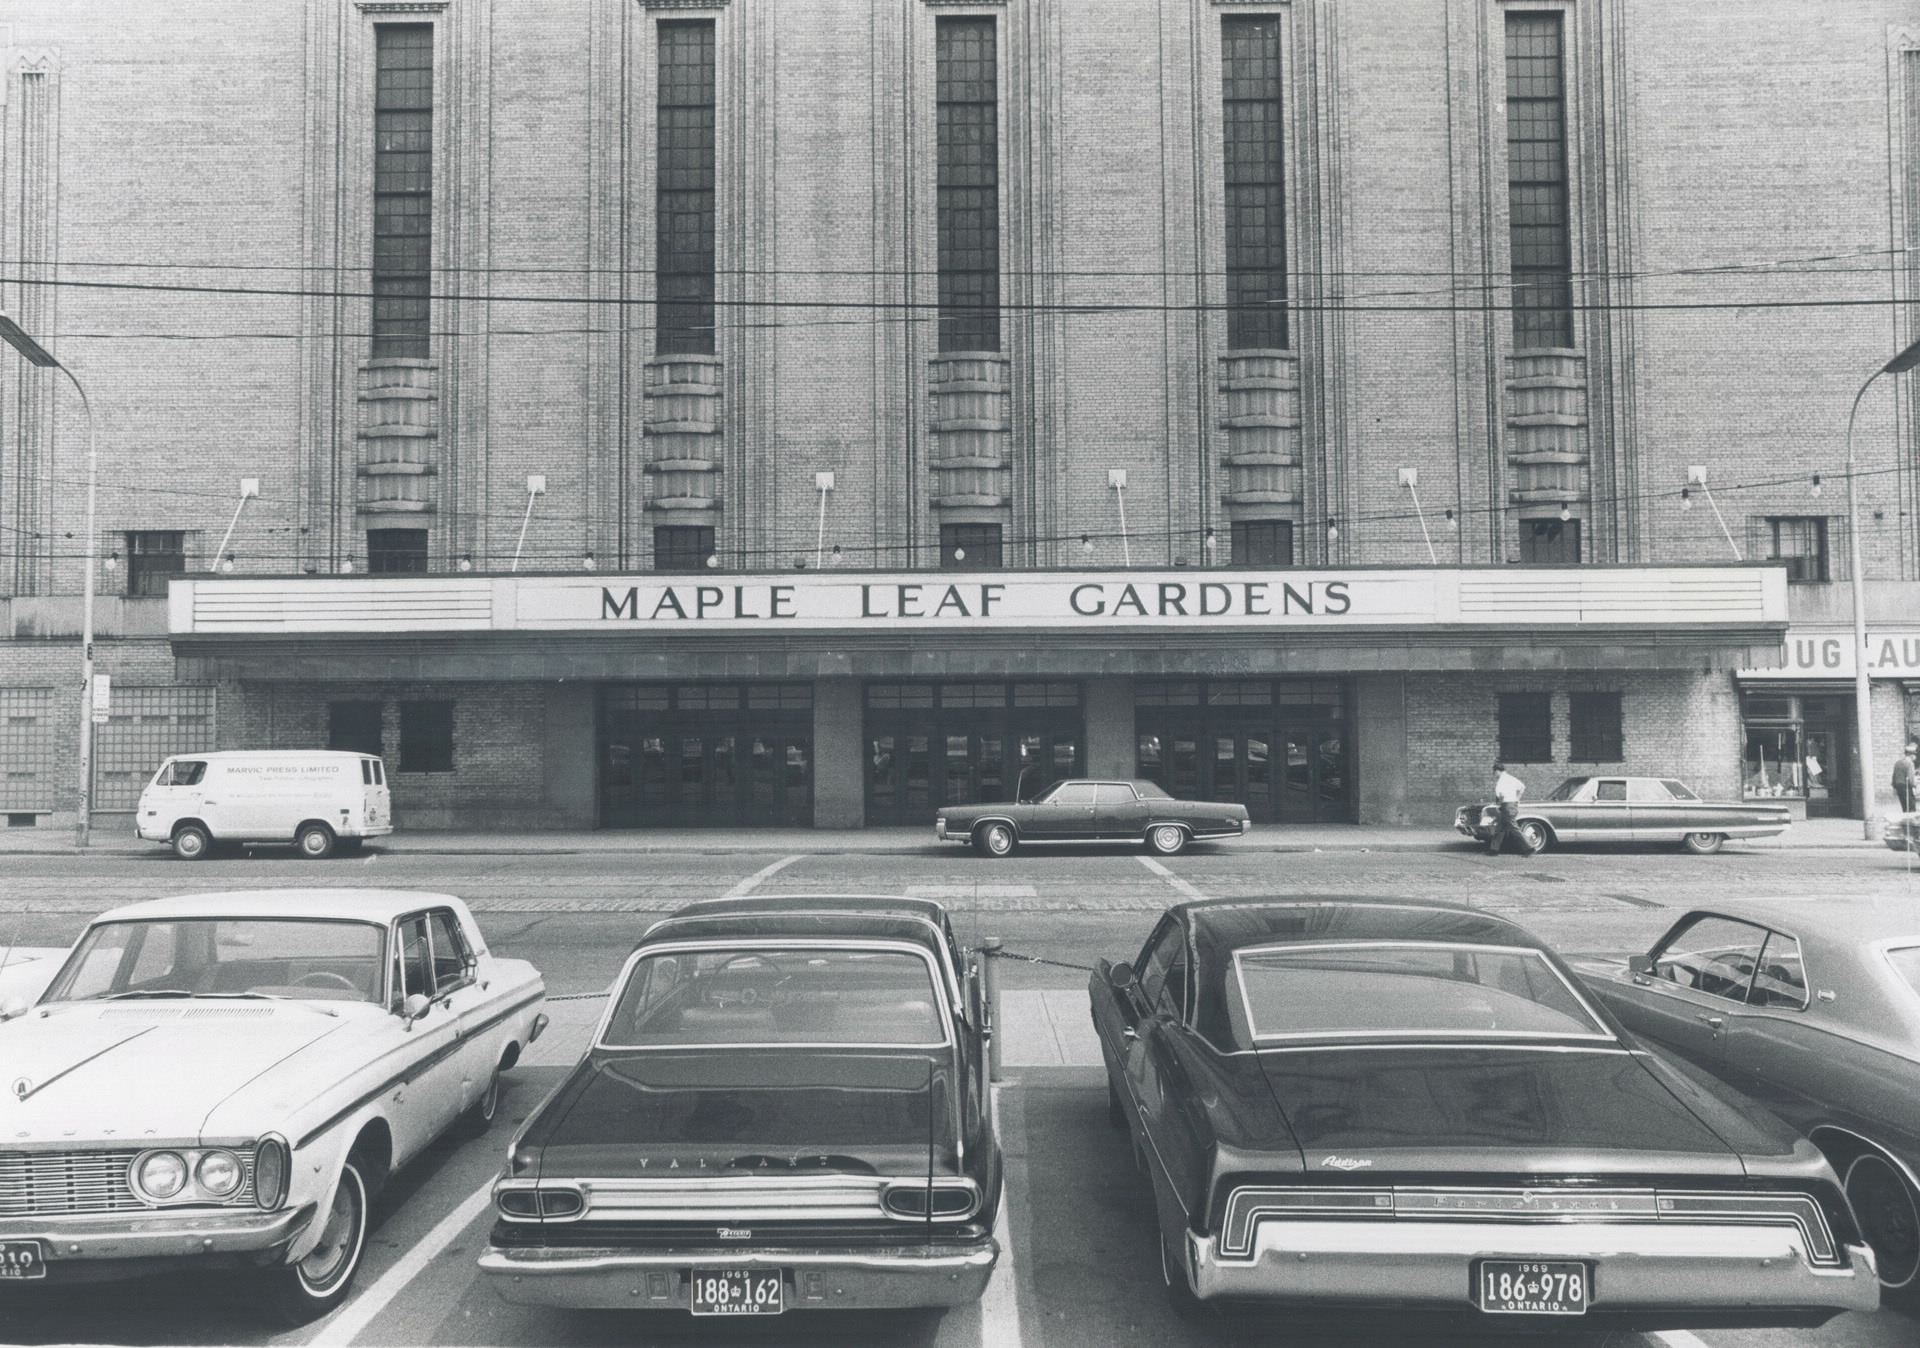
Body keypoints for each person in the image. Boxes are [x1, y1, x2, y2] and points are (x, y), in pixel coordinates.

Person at [1486, 762, 1536, 857]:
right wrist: (1517, 799)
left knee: (1514, 829)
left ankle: (1530, 848)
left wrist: (1498, 805)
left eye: (1494, 772)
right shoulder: (1512, 779)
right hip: (1513, 805)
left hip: (1506, 806)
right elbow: (1522, 787)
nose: (1494, 775)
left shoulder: (1500, 781)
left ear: (1497, 771)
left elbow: (1499, 795)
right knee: (1500, 828)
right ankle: (1493, 850)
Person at [1895, 741, 1918, 814]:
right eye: (1915, 754)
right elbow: (1910, 778)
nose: (1915, 757)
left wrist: (1894, 787)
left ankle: (1906, 824)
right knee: (1911, 808)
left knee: (1904, 807)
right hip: (1906, 787)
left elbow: (1894, 776)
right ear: (1911, 755)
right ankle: (1911, 824)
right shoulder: (1910, 763)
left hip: (1898, 787)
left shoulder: (1898, 762)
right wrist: (1914, 786)